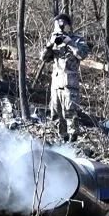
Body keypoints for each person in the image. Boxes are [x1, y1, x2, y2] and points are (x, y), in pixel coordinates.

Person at [40, 13, 89, 142]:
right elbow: (43, 58)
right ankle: (62, 139)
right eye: (56, 26)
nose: (59, 28)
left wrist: (70, 42)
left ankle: (73, 141)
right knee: (56, 114)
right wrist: (49, 45)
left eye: (61, 25)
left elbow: (81, 55)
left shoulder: (78, 40)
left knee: (70, 112)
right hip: (56, 83)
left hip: (69, 83)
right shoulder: (55, 41)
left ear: (67, 25)